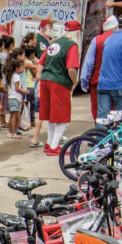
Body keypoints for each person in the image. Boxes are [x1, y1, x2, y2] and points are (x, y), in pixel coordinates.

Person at [39, 19, 83, 155]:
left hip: (46, 80)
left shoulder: (54, 43)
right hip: (59, 82)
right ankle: (54, 147)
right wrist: (74, 83)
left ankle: (49, 143)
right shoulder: (72, 46)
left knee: (51, 115)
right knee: (62, 116)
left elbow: (41, 63)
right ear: (77, 33)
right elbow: (71, 69)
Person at [89, 14, 122, 120]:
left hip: (103, 84)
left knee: (102, 117)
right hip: (119, 85)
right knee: (121, 118)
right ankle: (118, 136)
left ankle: (100, 136)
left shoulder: (108, 39)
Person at [81, 15, 119, 120]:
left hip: (98, 81)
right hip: (117, 82)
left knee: (99, 111)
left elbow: (88, 63)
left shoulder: (97, 40)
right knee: (116, 111)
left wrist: (84, 82)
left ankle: (100, 134)